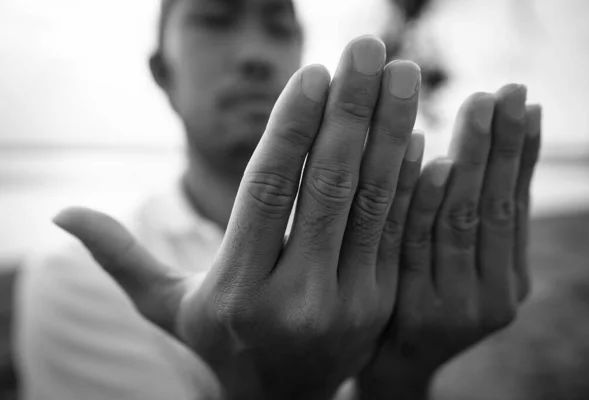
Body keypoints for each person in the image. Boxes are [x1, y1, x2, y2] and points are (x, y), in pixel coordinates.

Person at [15, 0, 541, 399]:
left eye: (278, 26)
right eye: (215, 20)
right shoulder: (78, 278)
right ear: (163, 72)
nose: (255, 55)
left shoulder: (378, 251)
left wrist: (402, 372)